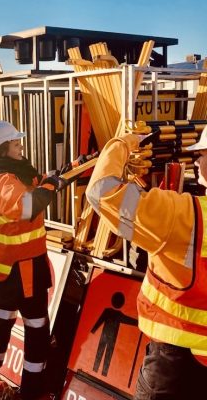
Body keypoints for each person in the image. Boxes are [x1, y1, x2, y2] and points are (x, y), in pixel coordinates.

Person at [85, 126, 207, 400]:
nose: (196, 161)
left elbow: (101, 192)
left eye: (202, 154)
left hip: (174, 363)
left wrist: (122, 144)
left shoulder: (183, 214)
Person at [0, 120, 69, 400]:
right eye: (16, 144)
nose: (21, 146)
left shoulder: (3, 175)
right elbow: (27, 205)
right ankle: (33, 393)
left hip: (7, 269)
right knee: (37, 328)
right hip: (24, 270)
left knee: (2, 323)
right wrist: (49, 188)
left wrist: (56, 176)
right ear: (1, 149)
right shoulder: (4, 181)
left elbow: (28, 189)